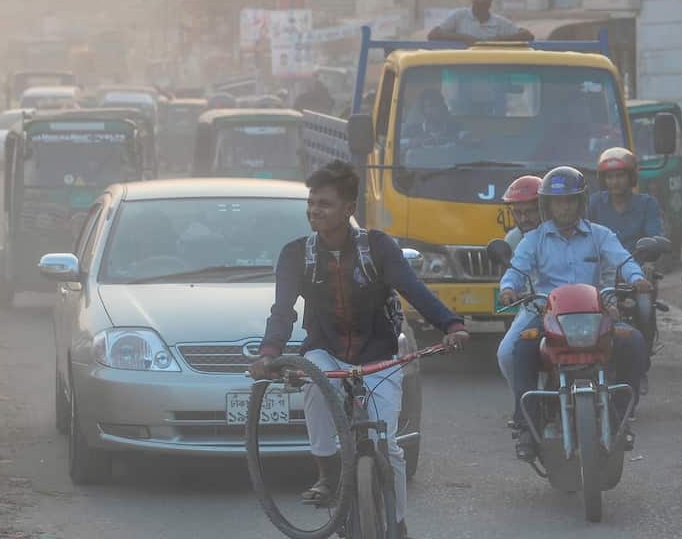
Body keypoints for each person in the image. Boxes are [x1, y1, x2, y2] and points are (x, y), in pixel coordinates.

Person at [250, 161, 469, 539]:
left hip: (380, 356)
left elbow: (414, 289)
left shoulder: (378, 247)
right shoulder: (295, 254)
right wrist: (270, 352)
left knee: (391, 448)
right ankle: (326, 473)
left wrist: (452, 325)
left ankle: (397, 523)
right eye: (311, 203)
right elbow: (282, 312)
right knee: (313, 382)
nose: (314, 211)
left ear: (349, 209)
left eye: (325, 204)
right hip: (326, 353)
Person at [496, 166, 652, 461]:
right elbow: (516, 269)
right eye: (557, 202)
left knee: (635, 342)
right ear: (548, 205)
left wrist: (636, 278)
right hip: (547, 313)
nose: (564, 208)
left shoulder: (600, 235)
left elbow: (624, 260)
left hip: (594, 312)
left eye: (569, 200)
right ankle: (527, 423)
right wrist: (508, 288)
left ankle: (621, 414)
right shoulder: (534, 240)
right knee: (521, 349)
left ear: (581, 202)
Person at [586, 147, 664, 253]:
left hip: (636, 266)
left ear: (631, 177)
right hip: (602, 266)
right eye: (609, 177)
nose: (615, 182)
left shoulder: (647, 204)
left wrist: (649, 264)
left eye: (620, 176)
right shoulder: (595, 203)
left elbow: (654, 239)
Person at [428, 0, 535, 45]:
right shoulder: (459, 16)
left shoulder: (500, 22)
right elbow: (433, 35)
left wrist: (497, 41)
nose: (481, 1)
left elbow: (528, 35)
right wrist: (464, 38)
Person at [502, 175, 543, 249]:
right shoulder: (513, 240)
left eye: (530, 211)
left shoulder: (561, 238)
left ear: (543, 210)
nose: (523, 219)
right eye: (517, 212)